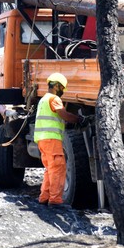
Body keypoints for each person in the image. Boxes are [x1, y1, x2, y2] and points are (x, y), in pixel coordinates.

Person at [34, 72, 89, 206]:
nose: (63, 91)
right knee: (58, 168)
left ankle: (44, 197)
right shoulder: (54, 99)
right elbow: (63, 114)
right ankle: (55, 200)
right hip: (51, 139)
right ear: (57, 86)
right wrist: (78, 119)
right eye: (62, 88)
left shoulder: (43, 99)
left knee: (50, 169)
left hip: (42, 139)